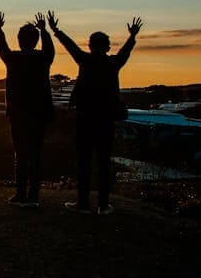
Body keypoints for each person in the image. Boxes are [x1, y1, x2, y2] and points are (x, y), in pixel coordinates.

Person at [48, 12, 143, 215]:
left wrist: (56, 30)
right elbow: (125, 51)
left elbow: (70, 45)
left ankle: (82, 203)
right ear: (107, 47)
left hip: (85, 118)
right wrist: (132, 35)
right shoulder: (113, 63)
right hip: (106, 119)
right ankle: (103, 204)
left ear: (90, 46)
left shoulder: (84, 60)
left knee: (84, 161)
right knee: (103, 161)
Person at [0, 12, 55, 208]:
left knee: (20, 154)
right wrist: (44, 30)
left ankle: (20, 194)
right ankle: (34, 195)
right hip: (39, 113)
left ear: (19, 41)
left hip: (18, 114)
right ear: (35, 40)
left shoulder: (13, 58)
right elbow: (50, 49)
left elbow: (1, 47)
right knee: (36, 154)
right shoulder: (43, 58)